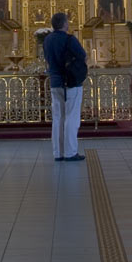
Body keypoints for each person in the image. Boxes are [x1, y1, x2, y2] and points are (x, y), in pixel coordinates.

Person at [43, 11, 87, 161]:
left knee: (57, 117)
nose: (68, 24)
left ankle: (58, 152)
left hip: (54, 82)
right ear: (63, 24)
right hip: (71, 82)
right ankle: (70, 152)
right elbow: (83, 56)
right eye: (67, 22)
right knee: (71, 116)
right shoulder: (69, 39)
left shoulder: (47, 39)